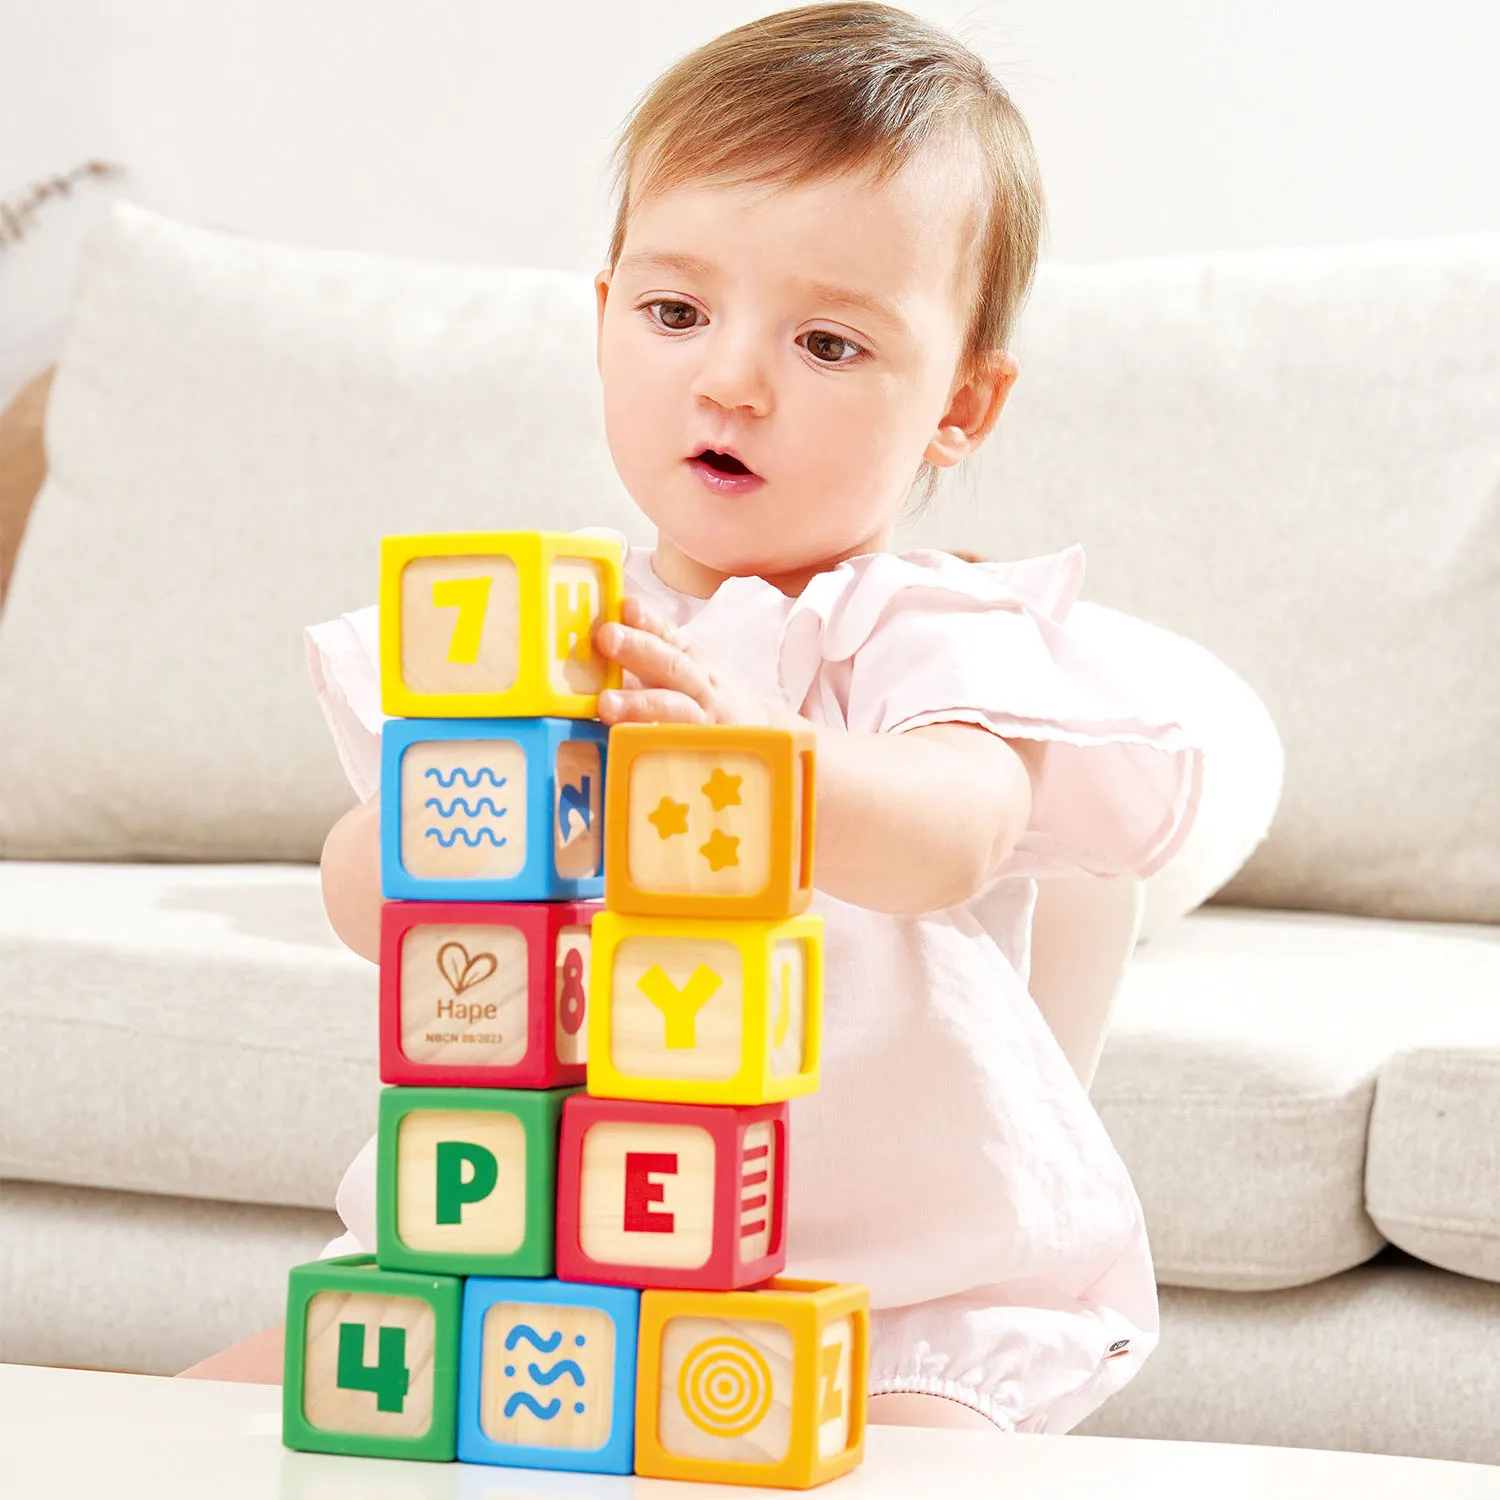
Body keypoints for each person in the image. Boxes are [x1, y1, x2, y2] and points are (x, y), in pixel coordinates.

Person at [185, 3, 1204, 1434]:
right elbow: (367, 906)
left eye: (829, 343)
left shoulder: (925, 627)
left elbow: (954, 838)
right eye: (676, 314)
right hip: (532, 1259)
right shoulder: (542, 632)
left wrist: (758, 761)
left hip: (884, 1303)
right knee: (195, 1429)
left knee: (915, 1465)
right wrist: (441, 822)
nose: (732, 378)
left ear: (962, 406)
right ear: (604, 321)